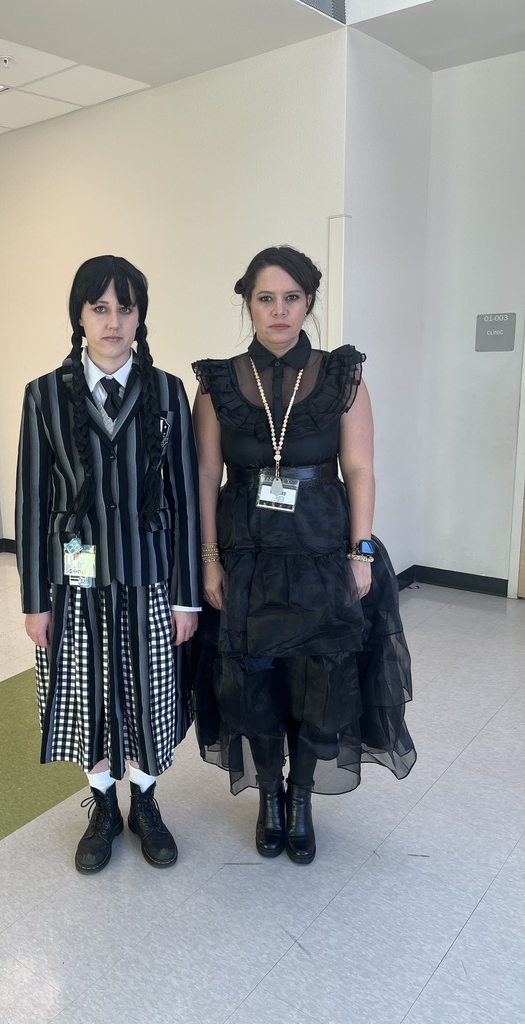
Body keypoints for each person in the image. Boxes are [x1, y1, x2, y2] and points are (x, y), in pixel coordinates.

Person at [191, 245, 415, 865]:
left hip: (322, 550)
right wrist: (209, 557)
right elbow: (206, 476)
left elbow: (360, 468)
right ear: (248, 304)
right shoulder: (216, 383)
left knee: (321, 679)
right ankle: (268, 793)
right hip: (246, 553)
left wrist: (361, 552)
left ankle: (301, 798)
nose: (279, 310)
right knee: (253, 679)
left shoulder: (343, 377)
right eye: (266, 298)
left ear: (309, 302)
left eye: (292, 298)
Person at [16, 255, 200, 874]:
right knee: (87, 693)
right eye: (100, 308)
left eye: (126, 308)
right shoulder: (44, 394)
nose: (113, 322)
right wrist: (34, 602)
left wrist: (186, 596)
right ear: (80, 316)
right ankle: (102, 807)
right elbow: (31, 504)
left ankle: (144, 800)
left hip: (150, 577)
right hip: (74, 584)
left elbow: (185, 500)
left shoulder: (167, 392)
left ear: (140, 317)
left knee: (150, 693)